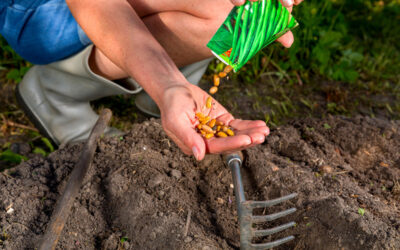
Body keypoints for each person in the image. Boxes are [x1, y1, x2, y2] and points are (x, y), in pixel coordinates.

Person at [0, 0, 302, 161]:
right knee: (226, 15)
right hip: (38, 10)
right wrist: (167, 83)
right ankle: (55, 91)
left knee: (240, 16)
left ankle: (153, 88)